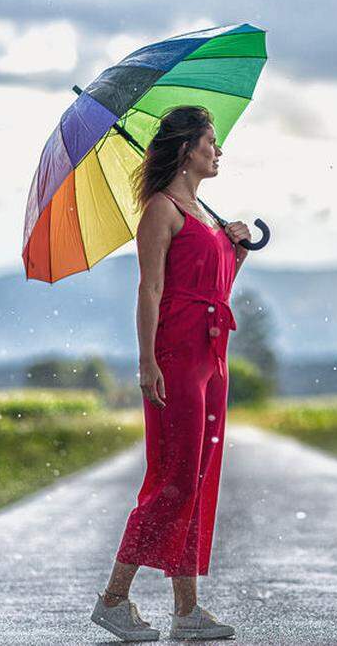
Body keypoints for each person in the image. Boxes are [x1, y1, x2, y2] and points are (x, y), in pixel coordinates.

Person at [90, 105, 251, 642]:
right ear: (187, 150)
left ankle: (187, 611)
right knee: (175, 478)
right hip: (176, 355)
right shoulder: (161, 210)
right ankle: (114, 598)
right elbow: (151, 290)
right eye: (210, 141)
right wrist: (146, 360)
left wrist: (237, 248)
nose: (218, 150)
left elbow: (218, 286)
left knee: (198, 477)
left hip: (214, 355)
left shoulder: (202, 214)